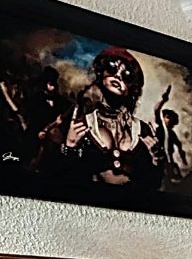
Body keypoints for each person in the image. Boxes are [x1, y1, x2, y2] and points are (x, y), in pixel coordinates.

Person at [38, 47, 158, 188]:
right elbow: (53, 176)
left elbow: (152, 185)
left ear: (132, 88)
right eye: (112, 68)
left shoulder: (142, 130)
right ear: (102, 73)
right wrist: (70, 146)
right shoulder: (79, 122)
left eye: (127, 75)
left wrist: (157, 160)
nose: (118, 76)